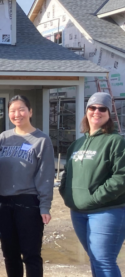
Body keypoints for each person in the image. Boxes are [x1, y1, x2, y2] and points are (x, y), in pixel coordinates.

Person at [60, 92, 125, 277]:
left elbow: (121, 176)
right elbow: (67, 174)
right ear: (86, 111)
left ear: (109, 113)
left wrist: (95, 197)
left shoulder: (116, 142)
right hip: (78, 212)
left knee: (104, 261)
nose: (97, 111)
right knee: (95, 259)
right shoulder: (77, 144)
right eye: (92, 107)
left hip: (107, 210)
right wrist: (68, 195)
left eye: (102, 108)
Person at [0, 95, 54, 277]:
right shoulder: (4, 138)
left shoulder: (41, 140)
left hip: (28, 203)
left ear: (30, 111)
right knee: (10, 255)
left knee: (31, 255)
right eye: (12, 111)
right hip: (3, 203)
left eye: (21, 109)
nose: (17, 114)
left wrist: (45, 206)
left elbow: (46, 175)